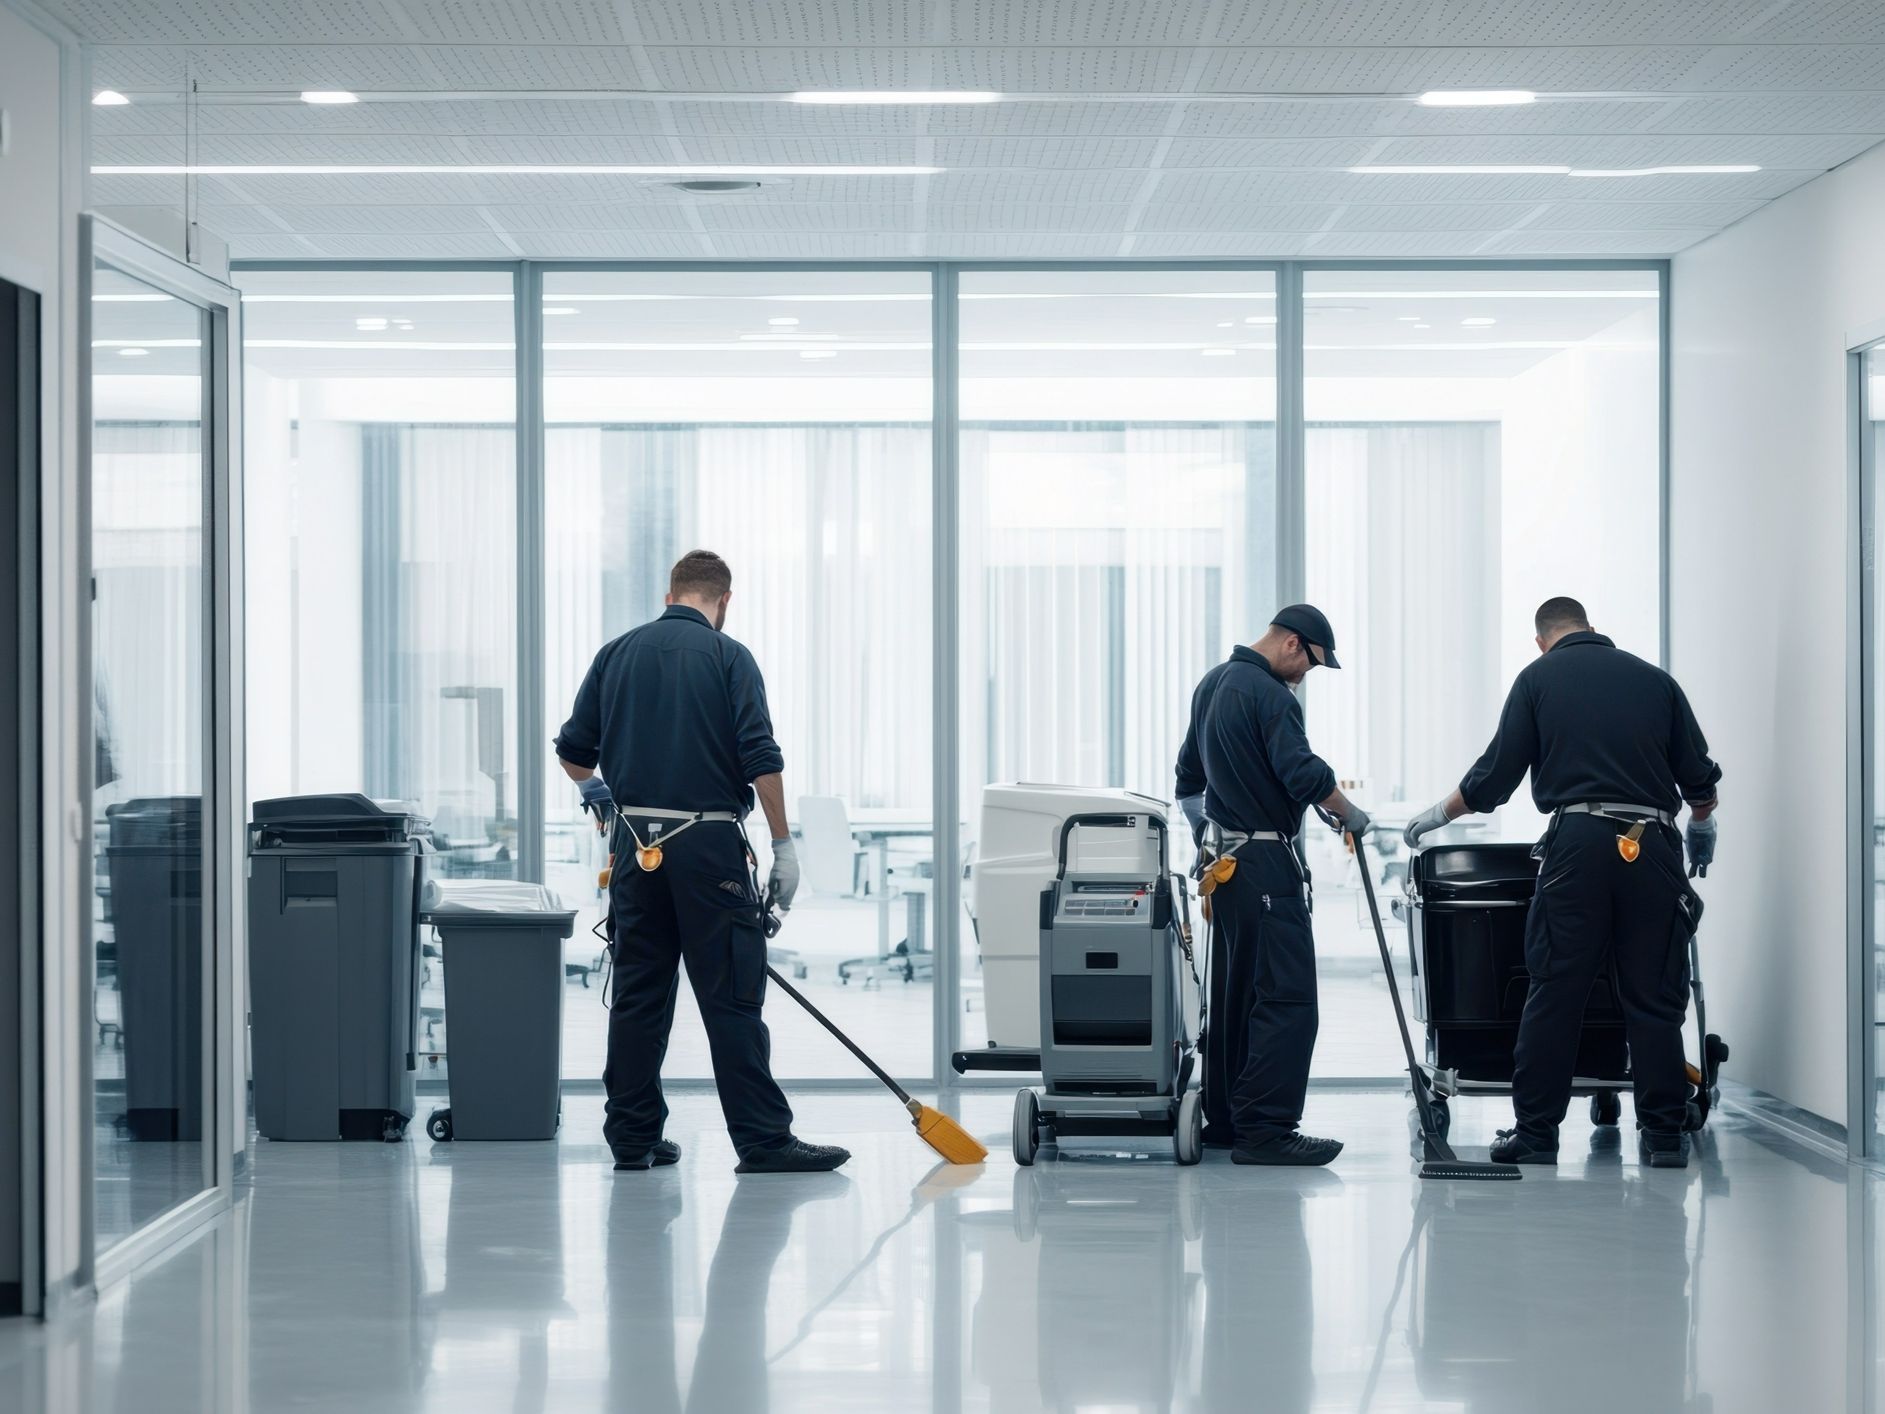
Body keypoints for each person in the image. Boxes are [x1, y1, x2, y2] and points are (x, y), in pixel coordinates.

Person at [554, 549, 849, 1174]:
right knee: (733, 996)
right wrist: (783, 845)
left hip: (638, 851)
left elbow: (574, 749)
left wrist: (597, 792)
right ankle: (764, 1141)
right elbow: (759, 756)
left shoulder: (616, 654)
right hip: (709, 850)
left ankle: (632, 1138)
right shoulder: (728, 656)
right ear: (723, 601)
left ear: (670, 595)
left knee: (639, 996)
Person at [1403, 596, 1721, 1169]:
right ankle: (1665, 1137)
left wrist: (1435, 816)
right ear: (1594, 629)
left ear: (1542, 639)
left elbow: (1494, 778)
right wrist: (1701, 824)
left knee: (1556, 991)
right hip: (1651, 845)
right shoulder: (1656, 682)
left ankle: (1537, 1136)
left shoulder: (1538, 679)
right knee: (1654, 996)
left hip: (1578, 843)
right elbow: (1699, 779)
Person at [1174, 604, 1373, 1166]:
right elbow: (1302, 771)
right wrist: (1347, 809)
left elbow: (1188, 778)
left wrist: (1210, 836)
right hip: (1264, 866)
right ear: (1292, 643)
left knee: (1236, 995)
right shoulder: (1269, 694)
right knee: (1286, 998)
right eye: (1309, 663)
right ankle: (1267, 1130)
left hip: (1228, 869)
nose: (1305, 675)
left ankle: (1230, 1120)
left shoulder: (1212, 683)